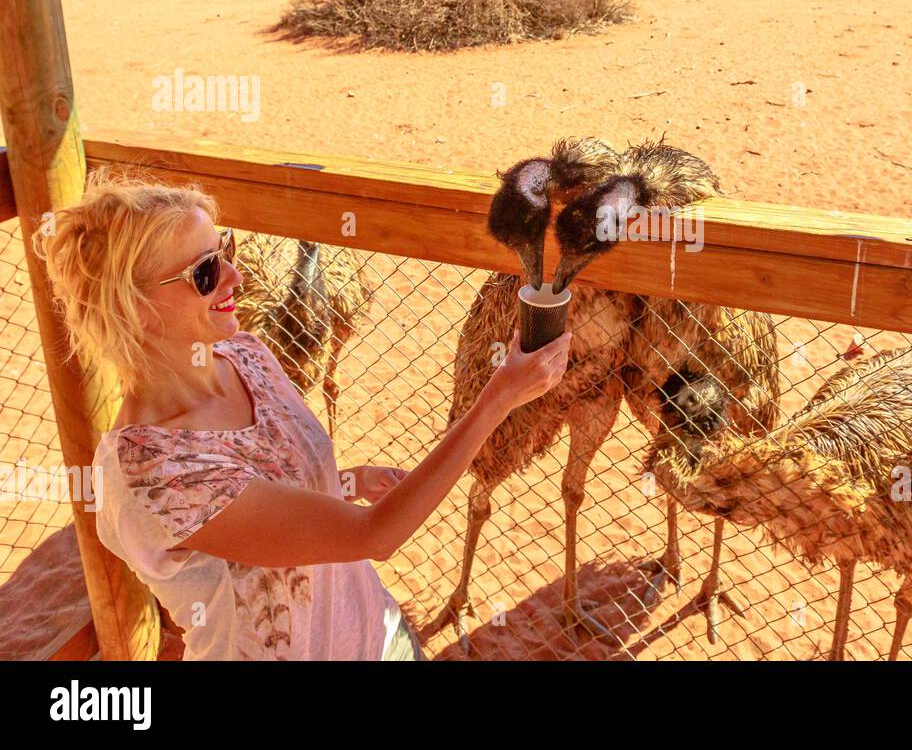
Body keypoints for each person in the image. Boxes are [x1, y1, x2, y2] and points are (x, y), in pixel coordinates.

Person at [33, 167, 571, 660]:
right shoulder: (153, 471)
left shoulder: (245, 353)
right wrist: (498, 397)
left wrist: (347, 479)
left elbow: (268, 491)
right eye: (203, 273)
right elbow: (374, 536)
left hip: (375, 635)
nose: (236, 278)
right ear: (136, 308)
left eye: (225, 250)